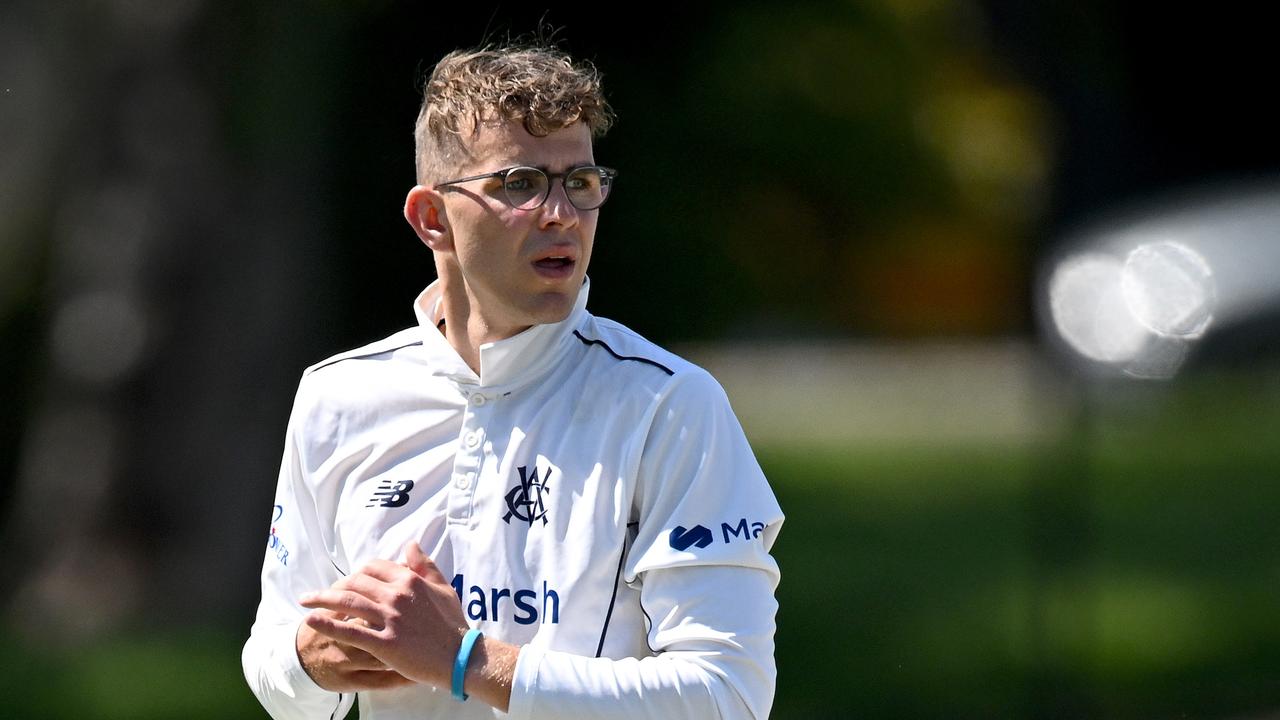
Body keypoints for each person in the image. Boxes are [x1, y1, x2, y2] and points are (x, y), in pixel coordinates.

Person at [242, 42, 784, 720]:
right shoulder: (337, 396)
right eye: (520, 184)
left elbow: (726, 696)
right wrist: (308, 662)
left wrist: (464, 661)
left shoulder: (670, 406)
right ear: (432, 218)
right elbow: (275, 663)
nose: (561, 214)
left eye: (580, 183)